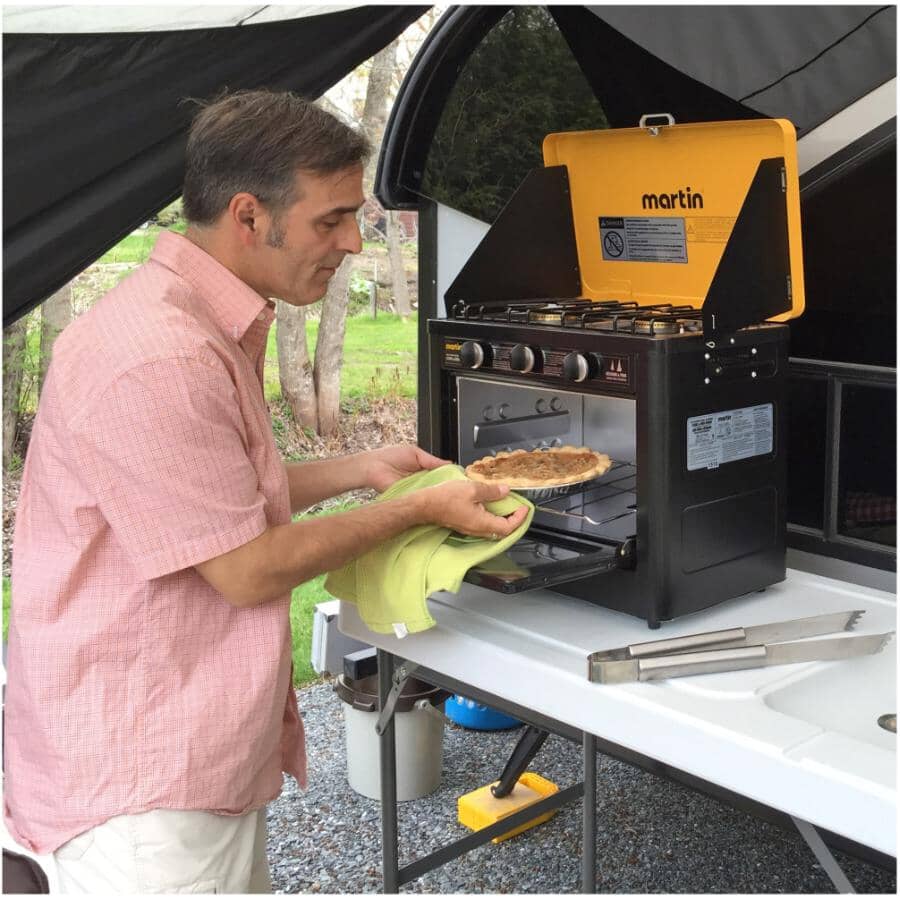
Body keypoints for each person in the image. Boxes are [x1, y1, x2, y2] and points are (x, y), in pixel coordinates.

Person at [4, 89, 528, 894]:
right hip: (146, 790)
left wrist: (359, 469)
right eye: (332, 220)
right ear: (248, 217)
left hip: (147, 751)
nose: (354, 242)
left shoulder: (187, 319)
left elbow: (205, 499)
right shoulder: (163, 355)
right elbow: (245, 564)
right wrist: (412, 510)